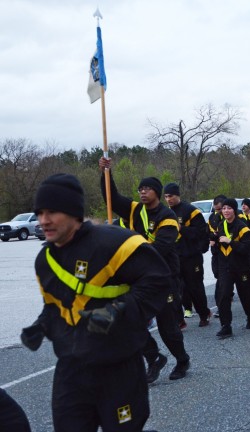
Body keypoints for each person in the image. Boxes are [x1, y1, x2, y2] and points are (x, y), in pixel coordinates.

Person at [22, 173, 169, 431]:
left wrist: (118, 311)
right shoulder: (44, 261)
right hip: (71, 371)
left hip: (118, 369)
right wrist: (42, 324)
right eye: (40, 212)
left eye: (52, 212)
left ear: (74, 213)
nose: (43, 220)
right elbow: (57, 305)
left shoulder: (115, 243)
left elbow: (158, 280)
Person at [99, 157, 190, 382]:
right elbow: (111, 197)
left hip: (162, 278)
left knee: (168, 328)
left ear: (157, 192)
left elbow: (161, 247)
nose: (142, 192)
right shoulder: (133, 210)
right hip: (138, 280)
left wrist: (127, 252)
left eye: (147, 188)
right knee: (128, 323)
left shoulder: (167, 216)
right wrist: (105, 173)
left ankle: (182, 359)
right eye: (140, 188)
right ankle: (154, 358)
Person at [163, 183, 211, 327]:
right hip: (174, 257)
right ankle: (179, 319)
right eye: (165, 197)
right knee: (176, 289)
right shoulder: (166, 212)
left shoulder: (191, 211)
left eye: (170, 196)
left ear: (177, 195)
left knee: (194, 287)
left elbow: (201, 232)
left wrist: (181, 229)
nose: (168, 199)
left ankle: (204, 314)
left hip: (191, 256)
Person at [211, 198, 250, 338]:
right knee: (223, 295)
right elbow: (219, 248)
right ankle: (226, 326)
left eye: (229, 208)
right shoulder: (220, 226)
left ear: (234, 210)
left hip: (242, 267)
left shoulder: (242, 227)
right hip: (226, 267)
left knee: (246, 296)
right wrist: (214, 243)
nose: (226, 211)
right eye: (223, 208)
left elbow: (248, 248)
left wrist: (231, 242)